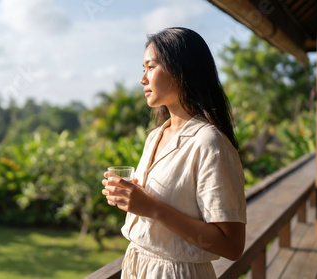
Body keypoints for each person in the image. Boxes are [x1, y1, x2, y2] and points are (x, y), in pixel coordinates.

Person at [101, 27, 247, 279]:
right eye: (143, 69)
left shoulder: (209, 143)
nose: (142, 79)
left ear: (181, 70)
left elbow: (232, 246)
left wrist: (151, 208)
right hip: (138, 267)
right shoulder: (155, 136)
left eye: (151, 67)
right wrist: (131, 197)